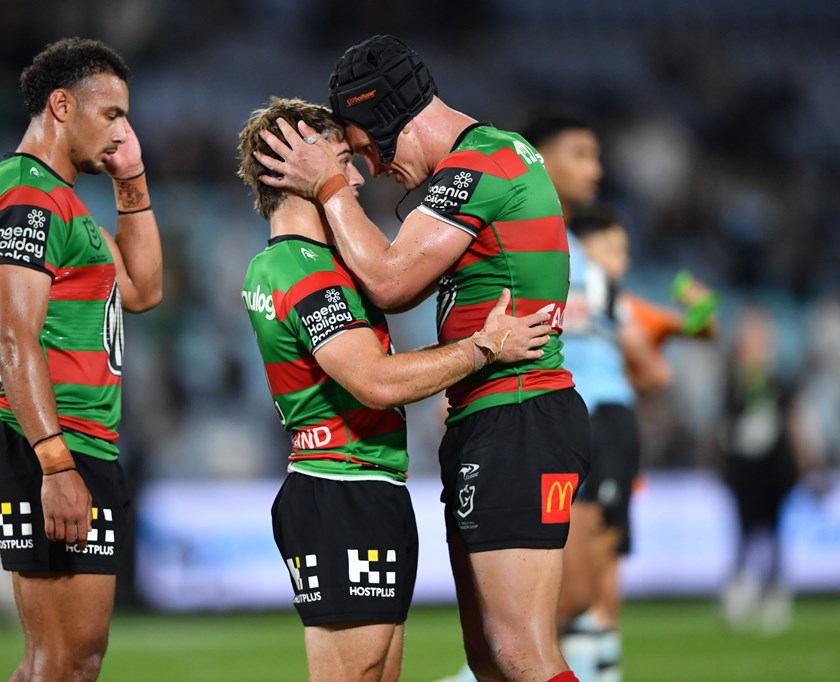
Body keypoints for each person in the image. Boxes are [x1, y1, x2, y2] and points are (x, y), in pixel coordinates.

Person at [254, 36, 590, 682]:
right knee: (490, 658)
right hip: (492, 417)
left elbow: (387, 280)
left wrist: (328, 187)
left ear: (385, 119)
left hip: (518, 414)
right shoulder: (487, 164)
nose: (372, 170)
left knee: (521, 652)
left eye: (365, 148)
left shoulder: (478, 166)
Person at [0, 37, 163, 681]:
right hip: (49, 443)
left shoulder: (65, 204)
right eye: (113, 114)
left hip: (84, 441)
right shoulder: (26, 197)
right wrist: (54, 462)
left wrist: (132, 179)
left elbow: (144, 291)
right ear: (62, 106)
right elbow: (13, 335)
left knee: (73, 660)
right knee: (61, 661)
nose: (123, 128)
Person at [716, 304, 809, 634]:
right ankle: (742, 589)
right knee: (743, 530)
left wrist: (804, 461)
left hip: (775, 468)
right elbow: (723, 425)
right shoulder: (733, 381)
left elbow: (793, 422)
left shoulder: (779, 380)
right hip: (744, 470)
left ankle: (775, 591)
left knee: (775, 530)